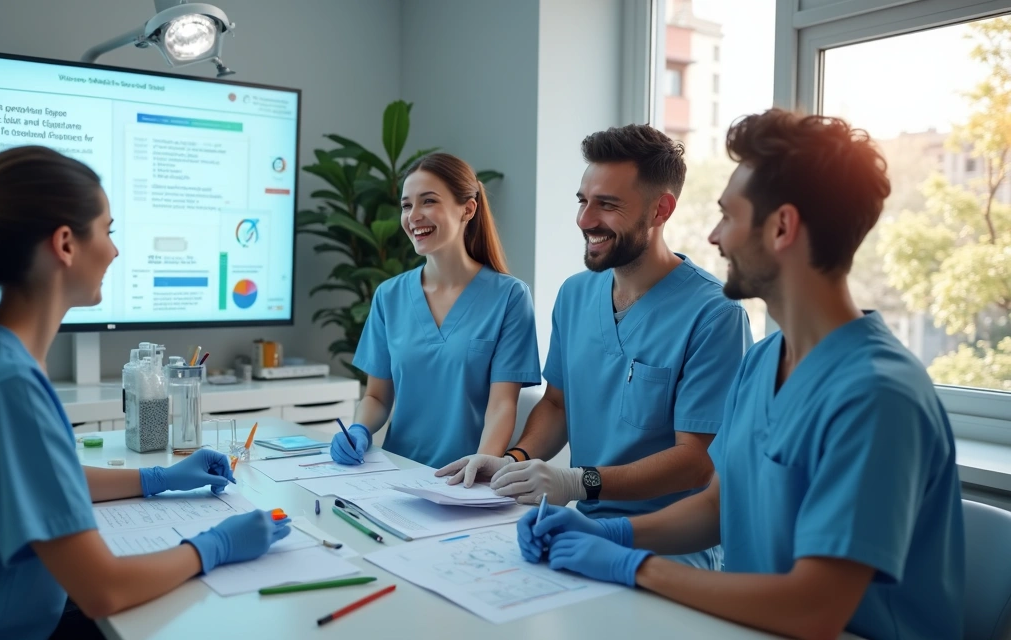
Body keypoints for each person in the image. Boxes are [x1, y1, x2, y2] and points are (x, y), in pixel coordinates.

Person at [516, 110, 964, 640]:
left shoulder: (876, 395)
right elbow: (714, 504)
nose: (712, 236)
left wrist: (632, 565)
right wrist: (612, 531)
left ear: (781, 228)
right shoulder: (764, 361)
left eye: (728, 215)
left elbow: (813, 611)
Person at [0, 146, 291, 640]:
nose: (113, 250)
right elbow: (102, 590)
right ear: (65, 244)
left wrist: (159, 477)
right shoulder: (8, 387)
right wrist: (213, 546)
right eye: (108, 231)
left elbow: (44, 480)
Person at [437, 125, 751, 570]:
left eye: (607, 204)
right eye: (583, 201)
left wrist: (576, 482)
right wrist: (510, 462)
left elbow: (696, 462)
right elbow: (558, 405)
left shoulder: (715, 315)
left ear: (661, 209)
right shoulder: (575, 295)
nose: (585, 220)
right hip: (581, 529)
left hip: (672, 549)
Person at [329, 153, 542, 469]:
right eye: (406, 205)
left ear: (467, 209)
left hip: (464, 480)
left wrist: (480, 466)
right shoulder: (389, 296)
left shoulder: (510, 297)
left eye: (428, 201)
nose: (413, 216)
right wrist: (359, 428)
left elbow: (502, 405)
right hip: (395, 476)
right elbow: (376, 397)